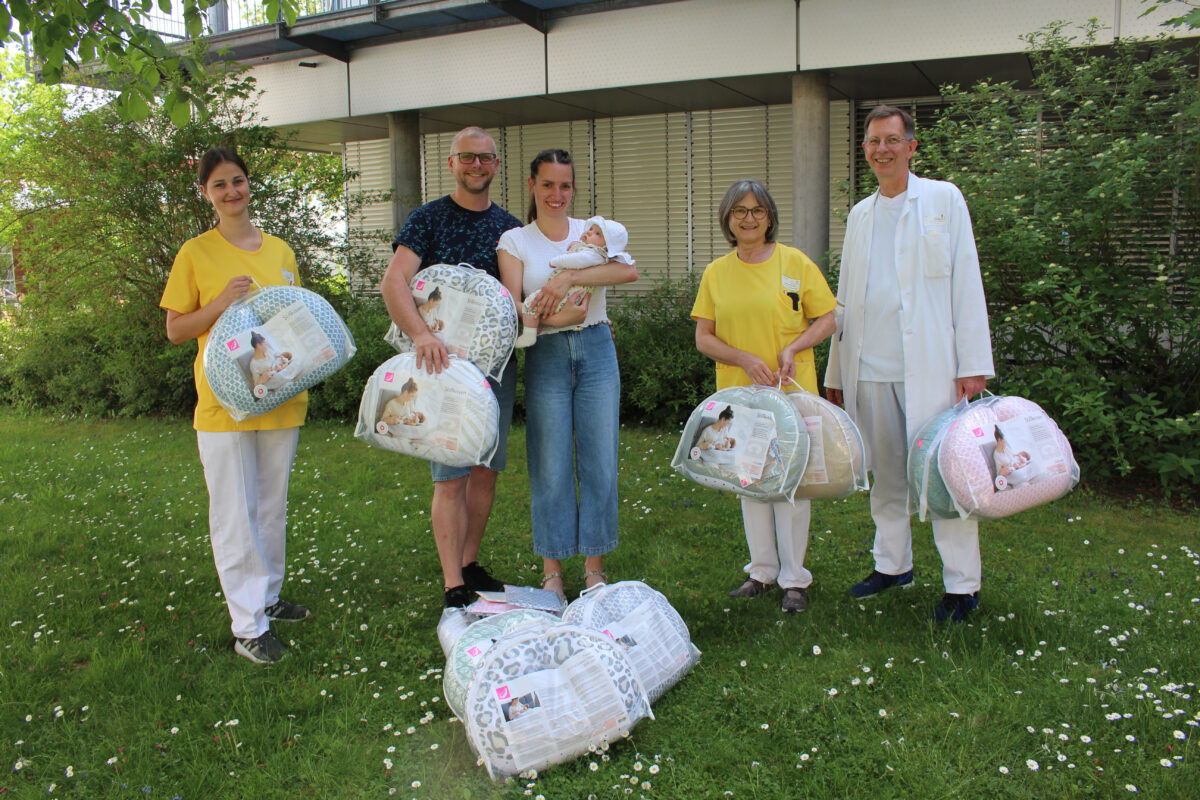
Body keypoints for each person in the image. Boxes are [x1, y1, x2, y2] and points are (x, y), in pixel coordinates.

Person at [824, 105, 994, 623]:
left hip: (933, 369)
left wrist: (974, 364)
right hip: (869, 367)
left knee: (946, 475)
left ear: (911, 147)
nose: (882, 150)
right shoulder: (859, 215)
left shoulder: (944, 199)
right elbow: (845, 297)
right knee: (887, 477)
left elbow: (966, 283)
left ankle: (963, 586)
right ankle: (892, 565)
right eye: (873, 141)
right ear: (865, 151)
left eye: (892, 140)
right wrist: (836, 371)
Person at [161, 147, 311, 664]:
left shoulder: (281, 251)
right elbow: (177, 329)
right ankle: (248, 626)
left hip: (281, 398)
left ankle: (267, 597)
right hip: (224, 407)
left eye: (238, 181)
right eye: (220, 185)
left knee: (271, 507)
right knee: (234, 514)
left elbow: (297, 319)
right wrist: (222, 301)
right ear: (207, 194)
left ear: (250, 186)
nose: (232, 192)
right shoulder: (195, 253)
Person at [379, 127, 522, 608]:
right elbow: (394, 282)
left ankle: (469, 563)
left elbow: (516, 302)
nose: (477, 166)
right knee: (450, 475)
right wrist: (422, 334)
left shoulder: (511, 229)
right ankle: (451, 583)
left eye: (485, 158)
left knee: (484, 470)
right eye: (468, 157)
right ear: (451, 162)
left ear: (496, 165)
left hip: (494, 372)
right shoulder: (428, 219)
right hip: (440, 369)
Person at [497, 149, 638, 600]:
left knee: (600, 460)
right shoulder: (515, 241)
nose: (557, 194)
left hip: (597, 350)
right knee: (550, 464)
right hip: (547, 354)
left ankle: (594, 568)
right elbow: (513, 306)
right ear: (532, 186)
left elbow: (628, 269)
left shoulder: (592, 231)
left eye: (565, 185)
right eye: (547, 185)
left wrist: (560, 283)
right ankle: (553, 570)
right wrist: (555, 319)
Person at [691, 178, 836, 614]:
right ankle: (762, 571)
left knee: (792, 483)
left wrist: (792, 348)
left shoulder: (794, 262)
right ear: (728, 219)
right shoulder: (717, 272)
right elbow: (703, 337)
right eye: (740, 211)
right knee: (749, 480)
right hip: (740, 395)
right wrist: (743, 357)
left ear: (770, 216)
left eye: (757, 210)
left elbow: (827, 318)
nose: (749, 218)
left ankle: (795, 579)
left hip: (791, 389)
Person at [514, 215, 633, 348]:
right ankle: (536, 327)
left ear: (607, 247)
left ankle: (531, 332)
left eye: (597, 234)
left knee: (532, 304)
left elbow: (578, 260)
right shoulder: (516, 237)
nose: (589, 232)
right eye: (591, 229)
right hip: (555, 334)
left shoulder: (595, 254)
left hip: (572, 301)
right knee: (536, 307)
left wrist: (557, 263)